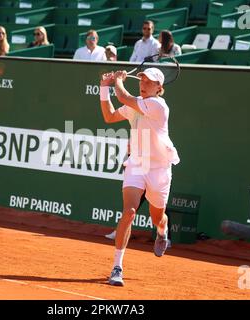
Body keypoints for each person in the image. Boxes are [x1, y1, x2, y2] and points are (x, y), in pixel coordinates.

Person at [99, 68, 180, 286]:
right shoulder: (135, 105)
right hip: (137, 162)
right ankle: (117, 267)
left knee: (157, 217)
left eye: (150, 81)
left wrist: (117, 81)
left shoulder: (158, 105)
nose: (144, 83)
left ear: (159, 88)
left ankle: (162, 230)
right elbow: (109, 116)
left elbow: (123, 96)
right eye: (142, 79)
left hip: (159, 168)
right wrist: (103, 88)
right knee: (130, 211)